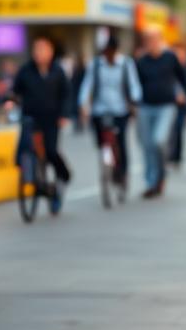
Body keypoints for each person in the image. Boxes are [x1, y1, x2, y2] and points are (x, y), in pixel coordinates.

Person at [10, 35, 72, 211]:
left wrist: (64, 114)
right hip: (31, 118)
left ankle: (63, 175)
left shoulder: (58, 71)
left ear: (51, 52)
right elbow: (15, 91)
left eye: (43, 49)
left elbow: (66, 94)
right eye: (37, 49)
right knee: (26, 149)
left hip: (52, 119)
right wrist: (10, 100)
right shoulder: (26, 70)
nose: (40, 53)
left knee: (51, 151)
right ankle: (34, 181)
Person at [78, 31, 142, 202]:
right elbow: (87, 85)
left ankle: (122, 174)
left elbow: (134, 85)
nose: (109, 56)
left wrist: (135, 101)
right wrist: (83, 104)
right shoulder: (96, 65)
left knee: (121, 144)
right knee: (101, 144)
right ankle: (106, 168)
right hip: (99, 111)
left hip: (120, 110)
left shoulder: (126, 64)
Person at [134, 28, 186, 198]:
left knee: (159, 141)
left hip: (166, 106)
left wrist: (182, 93)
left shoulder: (170, 58)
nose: (152, 44)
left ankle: (161, 173)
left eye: (154, 40)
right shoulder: (141, 61)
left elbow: (182, 77)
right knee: (147, 145)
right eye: (148, 41)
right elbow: (136, 84)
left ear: (160, 41)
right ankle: (151, 182)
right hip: (145, 106)